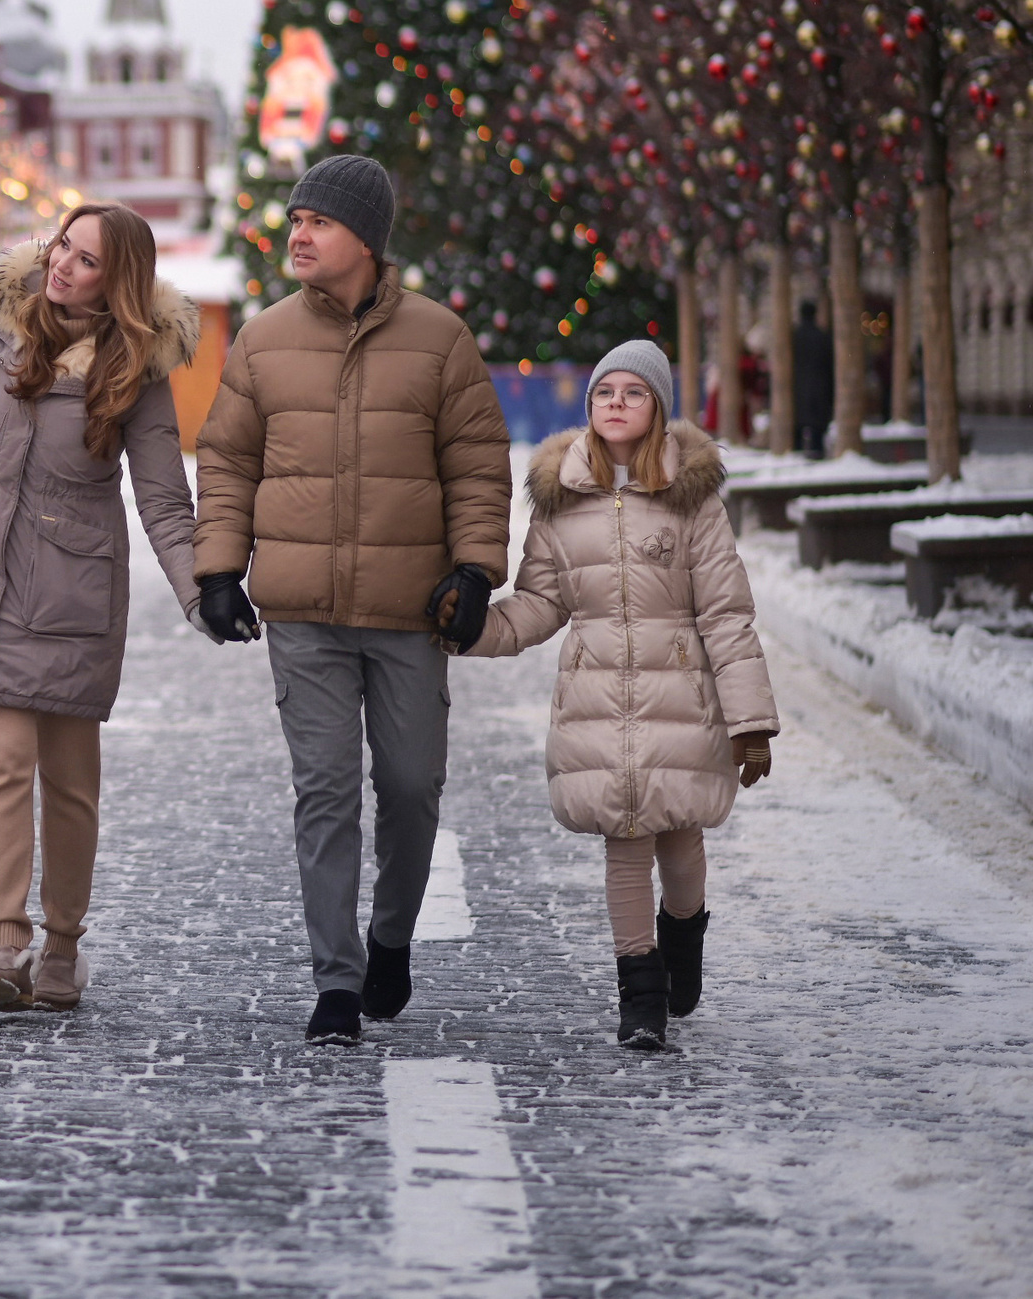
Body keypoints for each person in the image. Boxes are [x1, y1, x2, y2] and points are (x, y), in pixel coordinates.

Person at [189, 153, 512, 1047]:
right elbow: (227, 461)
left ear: (366, 239)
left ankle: (391, 939)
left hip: (411, 612)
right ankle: (336, 979)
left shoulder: (440, 338)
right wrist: (218, 572)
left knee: (411, 786)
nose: (298, 235)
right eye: (296, 220)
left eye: (319, 222)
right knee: (325, 792)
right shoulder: (263, 339)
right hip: (303, 615)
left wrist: (475, 570)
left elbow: (477, 464)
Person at [0, 202, 202, 1013]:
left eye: (87, 260)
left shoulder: (137, 366)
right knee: (2, 764)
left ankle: (63, 944)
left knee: (70, 781)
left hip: (70, 591)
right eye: (63, 245)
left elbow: (163, 497)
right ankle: (6, 941)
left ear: (118, 282)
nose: (62, 264)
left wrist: (200, 587)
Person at [460, 341, 779, 1050]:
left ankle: (684, 933)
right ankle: (640, 994)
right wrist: (469, 629)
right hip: (597, 701)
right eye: (605, 392)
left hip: (683, 698)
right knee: (624, 841)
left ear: (658, 407)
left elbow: (726, 614)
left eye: (634, 393)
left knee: (681, 839)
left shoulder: (691, 499)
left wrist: (750, 721)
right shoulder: (562, 500)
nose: (616, 404)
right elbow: (541, 602)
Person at [791, 299, 835, 456]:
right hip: (819, 387)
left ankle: (796, 453)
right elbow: (830, 364)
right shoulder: (822, 336)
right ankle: (817, 453)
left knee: (797, 428)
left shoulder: (793, 336)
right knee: (817, 429)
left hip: (797, 387)